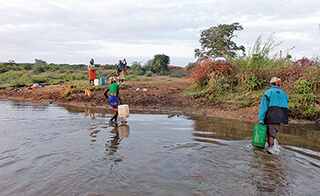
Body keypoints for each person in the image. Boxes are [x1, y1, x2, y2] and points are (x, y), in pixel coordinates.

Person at [258, 77, 289, 154]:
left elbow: (263, 107)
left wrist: (261, 119)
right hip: (280, 117)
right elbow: (286, 102)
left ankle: (271, 155)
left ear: (271, 84)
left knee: (270, 135)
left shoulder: (268, 92)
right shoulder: (284, 94)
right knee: (272, 133)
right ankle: (272, 150)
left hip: (271, 115)